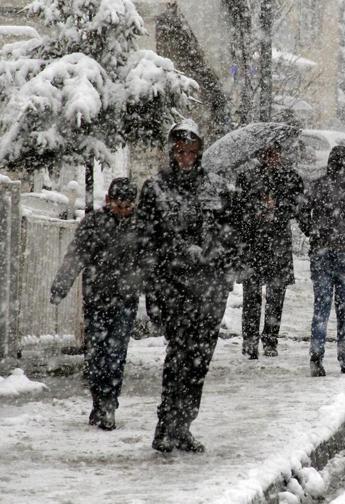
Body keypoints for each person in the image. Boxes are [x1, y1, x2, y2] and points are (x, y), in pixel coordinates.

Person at [136, 119, 236, 453]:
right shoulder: (156, 188)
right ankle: (165, 424)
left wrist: (218, 256)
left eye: (191, 151)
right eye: (180, 151)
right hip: (174, 286)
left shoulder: (215, 187)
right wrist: (153, 289)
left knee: (200, 361)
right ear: (171, 151)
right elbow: (146, 242)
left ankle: (184, 425)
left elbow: (230, 233)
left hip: (209, 289)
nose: (185, 158)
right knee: (179, 356)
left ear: (199, 152)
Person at [49, 177, 140, 431]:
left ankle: (109, 402)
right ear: (109, 201)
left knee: (116, 353)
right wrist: (61, 285)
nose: (123, 210)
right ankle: (100, 400)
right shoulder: (94, 224)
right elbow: (76, 255)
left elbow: (150, 262)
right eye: (118, 204)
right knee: (97, 353)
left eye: (127, 205)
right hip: (98, 298)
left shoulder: (140, 226)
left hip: (125, 298)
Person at [298, 146, 345, 377]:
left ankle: (316, 356)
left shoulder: (317, 186)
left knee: (321, 305)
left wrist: (312, 231)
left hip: (320, 252)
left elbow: (301, 211)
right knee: (344, 307)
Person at [231, 142, 304, 359]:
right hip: (254, 244)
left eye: (275, 153)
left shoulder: (290, 178)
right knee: (251, 296)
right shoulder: (246, 178)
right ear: (260, 155)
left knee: (276, 295)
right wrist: (257, 212)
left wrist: (278, 209)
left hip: (277, 244)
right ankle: (250, 341)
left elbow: (297, 205)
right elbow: (238, 211)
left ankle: (270, 340)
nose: (272, 158)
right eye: (268, 154)